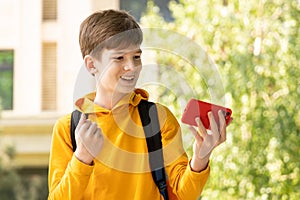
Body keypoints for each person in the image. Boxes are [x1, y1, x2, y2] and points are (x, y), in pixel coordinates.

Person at [48, 9, 228, 200]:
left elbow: (183, 194)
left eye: (136, 57)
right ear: (92, 65)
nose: (132, 67)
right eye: (119, 58)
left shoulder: (159, 118)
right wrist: (82, 157)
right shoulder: (68, 129)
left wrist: (200, 159)